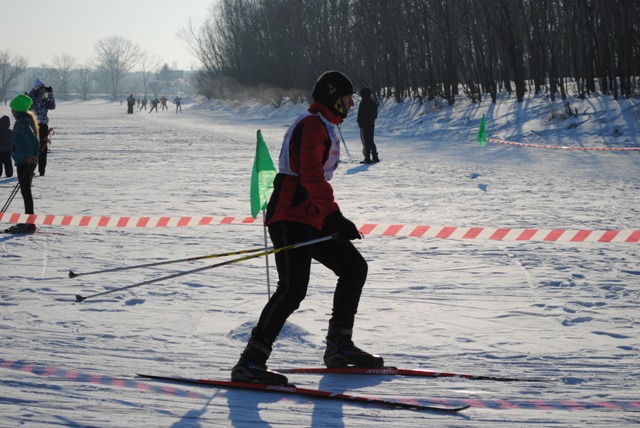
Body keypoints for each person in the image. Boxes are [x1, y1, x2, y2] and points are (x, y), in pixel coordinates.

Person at [231, 71, 383, 385]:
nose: (352, 104)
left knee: (353, 267)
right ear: (332, 96)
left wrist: (330, 218)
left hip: (310, 218)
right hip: (289, 217)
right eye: (347, 97)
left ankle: (339, 346)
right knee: (291, 290)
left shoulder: (325, 124)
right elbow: (311, 177)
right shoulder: (313, 125)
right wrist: (335, 217)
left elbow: (315, 181)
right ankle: (250, 362)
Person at [5, 94, 40, 233]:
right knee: (25, 191)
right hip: (23, 160)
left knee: (26, 192)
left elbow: (35, 141)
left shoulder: (22, 122)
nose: (11, 111)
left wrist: (33, 156)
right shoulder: (24, 120)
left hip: (25, 161)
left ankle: (30, 223)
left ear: (17, 109)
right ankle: (28, 221)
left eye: (12, 108)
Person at [28, 78, 56, 176]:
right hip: (32, 125)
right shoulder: (30, 96)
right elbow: (27, 107)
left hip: (43, 125)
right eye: (41, 88)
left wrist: (51, 95)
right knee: (33, 148)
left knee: (43, 148)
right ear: (37, 88)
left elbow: (52, 106)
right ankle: (30, 169)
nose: (43, 89)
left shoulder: (44, 95)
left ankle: (42, 170)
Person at [357, 87, 379, 164]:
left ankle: (367, 158)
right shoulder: (373, 103)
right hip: (371, 124)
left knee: (366, 141)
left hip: (365, 125)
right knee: (371, 141)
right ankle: (375, 157)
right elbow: (375, 115)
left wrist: (360, 123)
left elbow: (360, 115)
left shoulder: (363, 103)